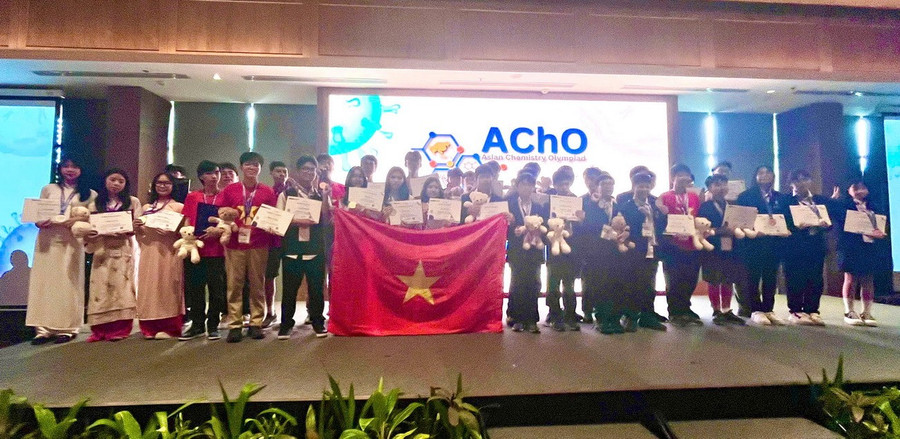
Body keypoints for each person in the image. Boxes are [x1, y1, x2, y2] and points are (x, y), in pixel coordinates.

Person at [26, 155, 97, 345]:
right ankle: (42, 330)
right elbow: (37, 213)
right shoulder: (49, 189)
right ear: (60, 169)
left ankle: (68, 328)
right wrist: (38, 221)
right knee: (44, 283)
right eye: (66, 166)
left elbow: (93, 218)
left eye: (74, 166)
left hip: (71, 241)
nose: (70, 170)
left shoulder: (89, 194)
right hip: (47, 239)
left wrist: (74, 220)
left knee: (69, 283)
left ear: (81, 170)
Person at [220, 152, 277, 343]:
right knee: (234, 284)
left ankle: (255, 323)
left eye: (255, 165)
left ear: (260, 168)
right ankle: (235, 324)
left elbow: (273, 216)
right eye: (248, 164)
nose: (252, 168)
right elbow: (221, 213)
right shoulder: (230, 190)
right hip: (235, 244)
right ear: (241, 167)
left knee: (257, 284)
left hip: (259, 243)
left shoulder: (267, 191)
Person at [84, 169, 142, 342]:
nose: (116, 184)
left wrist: (132, 229)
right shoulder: (95, 204)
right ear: (105, 181)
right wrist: (92, 233)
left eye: (120, 181)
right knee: (100, 288)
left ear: (126, 184)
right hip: (101, 250)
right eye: (112, 180)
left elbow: (139, 225)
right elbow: (88, 227)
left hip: (123, 249)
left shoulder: (133, 202)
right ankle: (99, 330)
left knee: (122, 288)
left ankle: (121, 328)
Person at [277, 155, 332, 339]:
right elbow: (279, 219)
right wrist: (296, 221)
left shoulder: (319, 194)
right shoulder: (286, 194)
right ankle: (286, 324)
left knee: (316, 289)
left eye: (312, 169)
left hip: (315, 248)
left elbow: (326, 217)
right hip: (292, 248)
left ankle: (318, 321)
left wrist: (326, 196)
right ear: (298, 171)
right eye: (305, 169)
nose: (309, 172)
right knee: (289, 290)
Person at [179, 161, 227, 340]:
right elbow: (186, 220)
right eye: (209, 173)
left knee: (216, 290)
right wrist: (188, 235)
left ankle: (213, 325)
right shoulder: (193, 196)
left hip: (217, 250)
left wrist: (219, 231)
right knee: (196, 289)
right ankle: (197, 325)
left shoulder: (225, 196)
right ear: (201, 177)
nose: (214, 176)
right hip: (195, 250)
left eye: (216, 173)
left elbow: (229, 221)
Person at [134, 172, 185, 339]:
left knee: (167, 287)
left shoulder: (179, 207)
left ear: (173, 186)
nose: (162, 186)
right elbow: (140, 235)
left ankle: (170, 327)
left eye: (167, 183)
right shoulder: (146, 208)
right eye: (159, 183)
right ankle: (149, 327)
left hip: (169, 251)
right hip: (149, 252)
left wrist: (173, 232)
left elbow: (185, 232)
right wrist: (137, 227)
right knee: (149, 288)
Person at [735, 165, 787, 325]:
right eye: (760, 173)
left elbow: (785, 218)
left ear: (773, 175)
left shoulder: (780, 197)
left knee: (771, 277)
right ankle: (755, 309)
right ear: (755, 176)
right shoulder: (746, 196)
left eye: (768, 172)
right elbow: (740, 220)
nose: (764, 175)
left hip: (774, 243)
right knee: (753, 277)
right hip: (753, 243)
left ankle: (768, 309)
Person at [782, 169, 834, 326]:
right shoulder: (785, 200)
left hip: (816, 244)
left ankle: (813, 310)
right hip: (794, 246)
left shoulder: (820, 200)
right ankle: (796, 310)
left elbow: (830, 222)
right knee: (795, 277)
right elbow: (782, 222)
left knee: (815, 278)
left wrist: (826, 225)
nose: (801, 183)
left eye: (804, 179)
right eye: (796, 180)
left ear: (810, 181)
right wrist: (795, 226)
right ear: (791, 183)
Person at [573, 172, 623, 333]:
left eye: (610, 184)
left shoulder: (618, 204)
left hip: (615, 252)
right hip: (596, 252)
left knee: (614, 286)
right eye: (604, 184)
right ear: (598, 187)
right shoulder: (589, 205)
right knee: (599, 286)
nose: (608, 187)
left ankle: (614, 320)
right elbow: (587, 227)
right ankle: (601, 320)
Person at [835, 181, 889, 326]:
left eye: (863, 188)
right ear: (849, 190)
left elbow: (882, 224)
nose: (860, 191)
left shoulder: (875, 207)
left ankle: (867, 312)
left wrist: (881, 233)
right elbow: (838, 221)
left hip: (870, 247)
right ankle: (849, 311)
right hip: (850, 247)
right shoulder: (843, 205)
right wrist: (834, 201)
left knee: (868, 279)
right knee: (850, 279)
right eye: (856, 188)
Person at [618, 172, 667, 331]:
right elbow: (626, 228)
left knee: (649, 284)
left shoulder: (655, 204)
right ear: (633, 186)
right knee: (632, 284)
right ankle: (631, 317)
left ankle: (647, 316)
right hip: (635, 250)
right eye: (640, 186)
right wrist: (642, 216)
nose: (644, 189)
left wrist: (657, 215)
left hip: (652, 249)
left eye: (647, 186)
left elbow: (662, 226)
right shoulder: (626, 206)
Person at [656, 163, 703, 327]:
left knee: (690, 279)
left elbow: (698, 218)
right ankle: (675, 312)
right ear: (672, 178)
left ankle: (686, 308)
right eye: (680, 175)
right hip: (672, 245)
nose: (684, 178)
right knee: (674, 280)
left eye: (687, 176)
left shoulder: (694, 197)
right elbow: (660, 222)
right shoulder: (664, 197)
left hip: (692, 244)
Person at [697, 174, 746, 325]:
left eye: (724, 184)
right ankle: (716, 310)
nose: (721, 188)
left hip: (731, 247)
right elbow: (702, 229)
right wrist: (720, 231)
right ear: (710, 188)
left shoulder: (732, 206)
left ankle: (726, 310)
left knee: (728, 279)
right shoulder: (705, 207)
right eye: (717, 185)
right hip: (713, 247)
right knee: (714, 279)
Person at [506, 172, 548, 334]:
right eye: (523, 184)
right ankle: (517, 318)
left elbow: (545, 228)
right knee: (517, 284)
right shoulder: (509, 205)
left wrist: (539, 231)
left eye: (530, 184)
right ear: (517, 186)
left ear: (533, 187)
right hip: (517, 250)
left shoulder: (539, 207)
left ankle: (532, 320)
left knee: (534, 284)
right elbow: (503, 228)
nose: (526, 187)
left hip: (534, 251)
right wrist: (513, 228)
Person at [545, 167, 580, 331]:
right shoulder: (549, 201)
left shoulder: (577, 201)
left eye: (566, 183)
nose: (564, 187)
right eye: (560, 184)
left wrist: (581, 219)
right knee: (553, 283)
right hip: (553, 247)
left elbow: (583, 228)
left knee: (569, 284)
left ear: (571, 183)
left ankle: (570, 315)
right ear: (555, 185)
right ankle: (554, 315)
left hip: (571, 248)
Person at [262, 160, 292, 328]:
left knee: (291, 277)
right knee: (269, 276)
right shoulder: (267, 193)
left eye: (284, 172)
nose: (281, 174)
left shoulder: (293, 192)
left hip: (290, 241)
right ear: (271, 173)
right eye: (278, 171)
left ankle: (290, 315)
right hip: (272, 241)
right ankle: (270, 311)